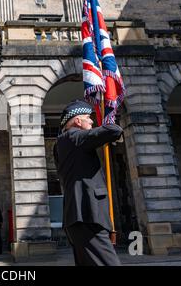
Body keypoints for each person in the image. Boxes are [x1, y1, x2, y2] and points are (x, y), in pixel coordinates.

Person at [53, 100, 123, 266]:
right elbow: (114, 130)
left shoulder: (61, 143)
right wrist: (107, 116)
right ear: (78, 121)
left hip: (78, 217)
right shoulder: (75, 137)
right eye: (89, 117)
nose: (92, 121)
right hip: (87, 215)